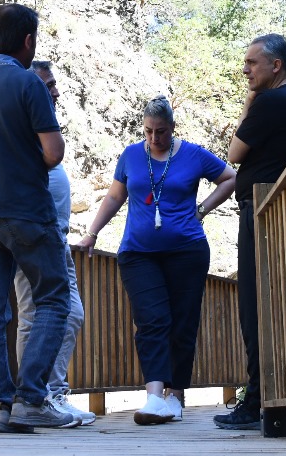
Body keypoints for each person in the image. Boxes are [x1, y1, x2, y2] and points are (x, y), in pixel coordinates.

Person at [0, 4, 79, 432]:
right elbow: (53, 152)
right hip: (25, 210)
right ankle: (31, 398)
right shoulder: (29, 83)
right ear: (28, 41)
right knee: (54, 298)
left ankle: (0, 408)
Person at [77, 96, 236, 425]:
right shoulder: (132, 155)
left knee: (182, 323)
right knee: (151, 320)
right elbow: (115, 196)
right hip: (138, 253)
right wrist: (91, 232)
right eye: (148, 131)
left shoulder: (192, 154)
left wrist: (202, 209)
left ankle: (175, 397)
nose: (153, 139)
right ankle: (153, 397)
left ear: (172, 128)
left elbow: (230, 177)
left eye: (160, 132)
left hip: (187, 251)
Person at [214, 33, 286, 431]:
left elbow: (235, 154)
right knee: (270, 305)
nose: (245, 70)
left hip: (262, 211)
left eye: (253, 63)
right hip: (278, 210)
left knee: (254, 306)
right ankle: (266, 398)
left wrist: (249, 104)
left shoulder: (274, 100)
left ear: (276, 66)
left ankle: (256, 401)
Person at [12, 60, 94, 426]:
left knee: (70, 314)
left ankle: (51, 395)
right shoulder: (22, 129)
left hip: (55, 240)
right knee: (32, 317)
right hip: (33, 238)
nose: (56, 92)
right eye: (48, 85)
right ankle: (35, 399)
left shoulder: (39, 128)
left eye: (55, 84)